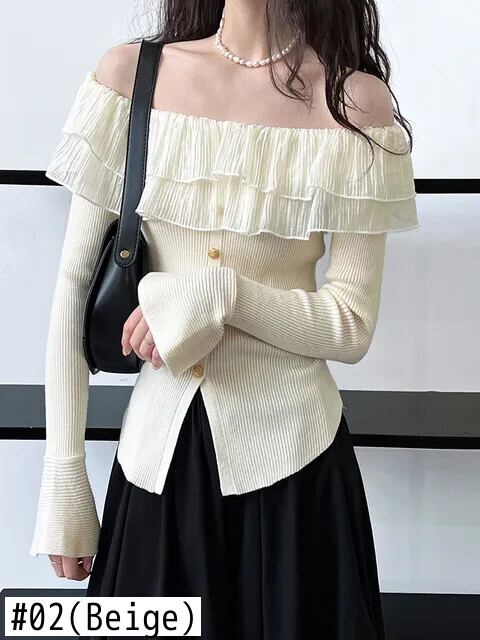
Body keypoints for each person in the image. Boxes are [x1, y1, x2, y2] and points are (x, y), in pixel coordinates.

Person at [30, 1, 419, 638]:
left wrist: (223, 295)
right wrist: (64, 482)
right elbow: (74, 288)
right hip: (155, 473)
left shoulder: (354, 102)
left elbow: (350, 324)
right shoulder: (130, 79)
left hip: (298, 474)